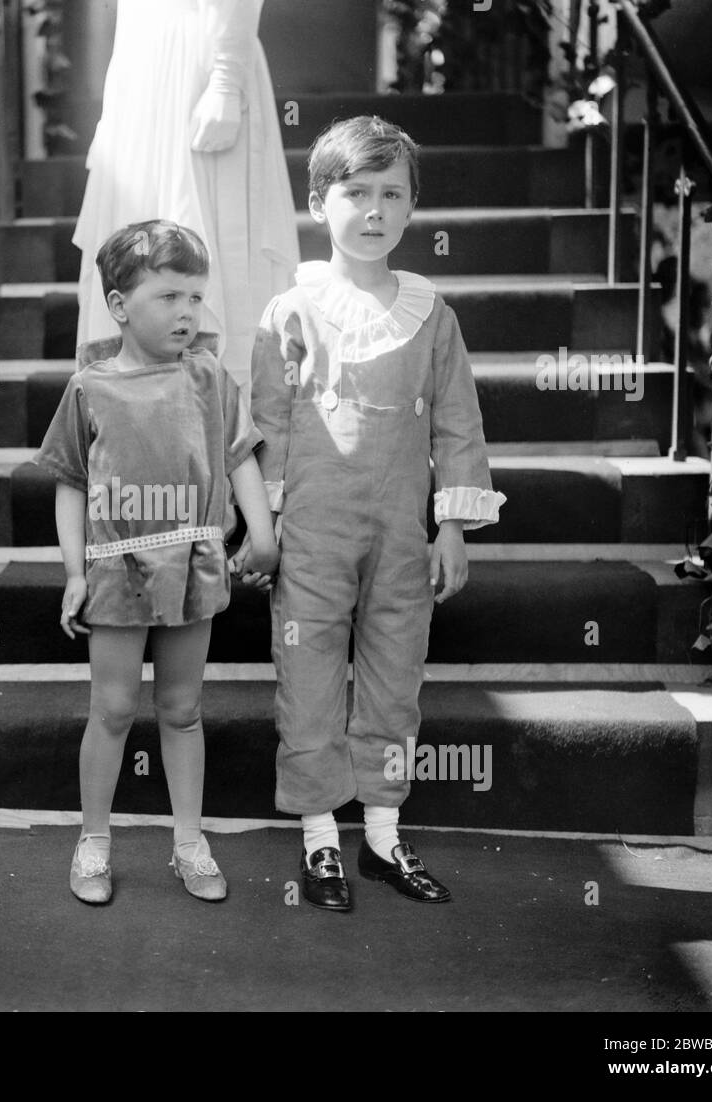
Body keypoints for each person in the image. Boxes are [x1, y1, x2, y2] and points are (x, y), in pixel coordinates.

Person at [244, 116, 507, 911]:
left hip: (401, 530)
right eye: (356, 193)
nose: (374, 210)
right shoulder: (290, 311)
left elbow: (459, 423)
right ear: (319, 201)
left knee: (396, 676)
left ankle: (384, 836)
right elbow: (271, 425)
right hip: (315, 530)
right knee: (310, 678)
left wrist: (453, 526)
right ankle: (320, 838)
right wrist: (267, 526)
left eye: (393, 194)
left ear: (412, 206)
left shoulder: (433, 315)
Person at [34, 219, 280, 905]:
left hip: (194, 562)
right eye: (169, 297)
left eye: (195, 299)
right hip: (116, 567)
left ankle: (190, 842)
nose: (187, 313)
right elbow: (70, 482)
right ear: (119, 305)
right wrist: (76, 572)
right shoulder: (91, 387)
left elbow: (240, 458)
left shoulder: (208, 379)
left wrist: (260, 537)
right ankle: (93, 841)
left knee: (183, 708)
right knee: (112, 709)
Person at [72, 0, 299, 387]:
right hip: (141, 68)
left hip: (198, 61)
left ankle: (220, 415)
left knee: (209, 240)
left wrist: (226, 80)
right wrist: (113, 119)